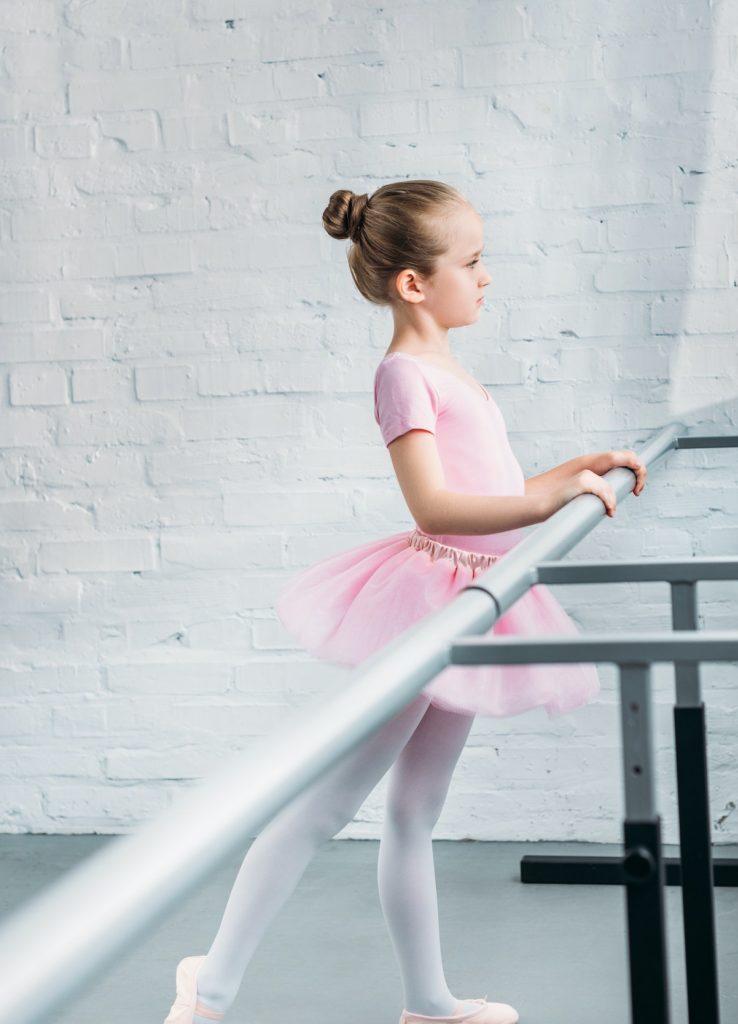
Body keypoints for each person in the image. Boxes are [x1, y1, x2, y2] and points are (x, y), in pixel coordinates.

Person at [162, 179, 647, 1024]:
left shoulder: (450, 366)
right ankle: (209, 990)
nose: (487, 276)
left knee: (416, 811)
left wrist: (563, 476)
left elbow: (490, 491)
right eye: (472, 261)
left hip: (477, 600)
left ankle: (427, 1003)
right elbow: (434, 508)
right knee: (328, 805)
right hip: (431, 602)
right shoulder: (401, 374)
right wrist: (541, 505)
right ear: (413, 284)